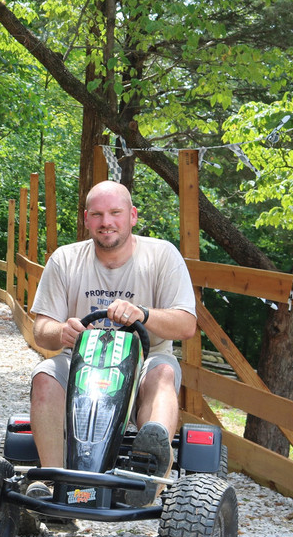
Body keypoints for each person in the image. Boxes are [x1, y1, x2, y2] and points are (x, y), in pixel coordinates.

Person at [28, 180, 197, 507]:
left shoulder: (162, 256)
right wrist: (62, 330)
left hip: (145, 359)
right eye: (98, 214)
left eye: (115, 213)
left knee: (162, 374)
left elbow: (186, 324)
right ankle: (54, 483)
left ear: (132, 216)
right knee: (45, 375)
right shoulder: (65, 259)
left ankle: (148, 481)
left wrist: (143, 314)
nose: (107, 222)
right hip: (79, 360)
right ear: (87, 219)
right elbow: (40, 329)